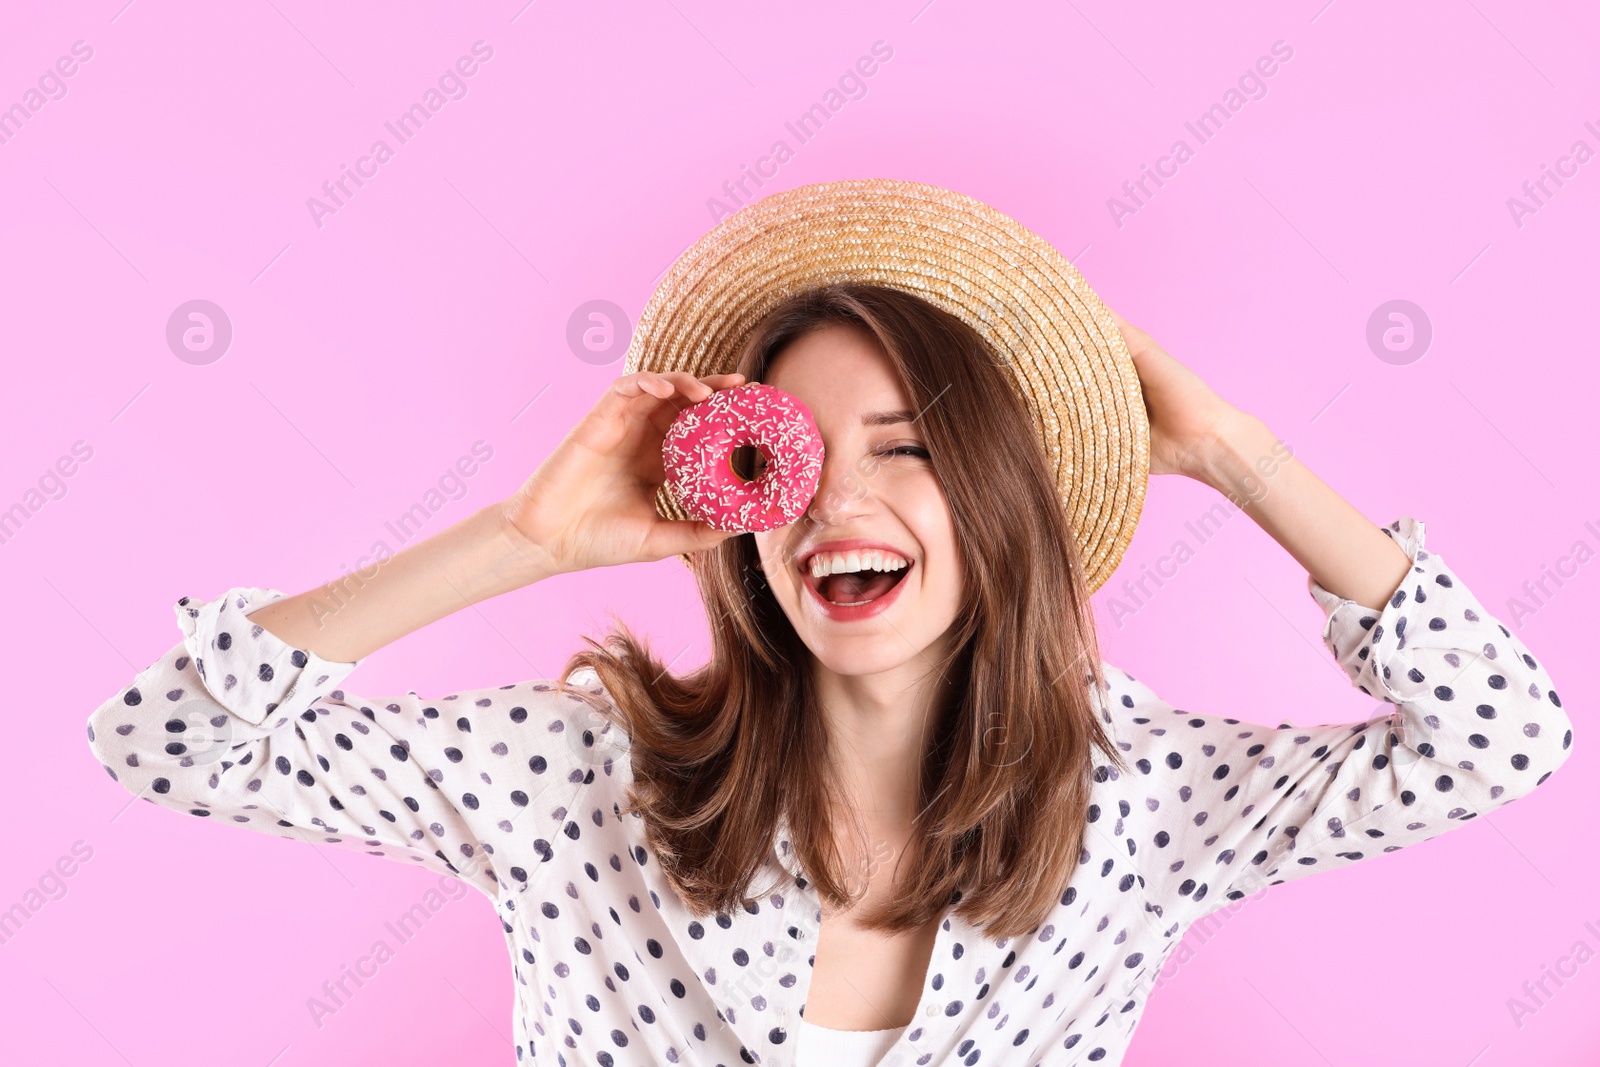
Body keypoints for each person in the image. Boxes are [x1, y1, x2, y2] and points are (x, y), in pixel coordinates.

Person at [87, 190, 1574, 1067]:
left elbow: (1505, 737)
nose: (839, 501)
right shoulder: (576, 779)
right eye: (791, 452)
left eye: (912, 447)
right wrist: (524, 540)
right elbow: (167, 739)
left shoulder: (1141, 804)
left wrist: (1237, 451)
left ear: (995, 499)